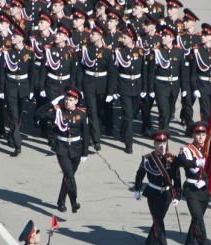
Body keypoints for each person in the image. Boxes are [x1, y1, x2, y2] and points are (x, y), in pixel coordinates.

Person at [134, 130, 191, 245]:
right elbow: (140, 174)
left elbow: (177, 178)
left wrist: (178, 195)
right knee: (158, 220)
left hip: (167, 194)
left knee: (158, 221)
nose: (161, 145)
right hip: (153, 193)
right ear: (154, 143)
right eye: (159, 142)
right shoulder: (148, 158)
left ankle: (150, 242)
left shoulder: (172, 158)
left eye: (164, 142)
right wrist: (137, 189)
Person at [36, 85, 89, 213]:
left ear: (76, 101)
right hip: (62, 148)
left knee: (68, 176)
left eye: (71, 100)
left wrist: (85, 152)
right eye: (66, 99)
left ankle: (61, 202)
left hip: (76, 148)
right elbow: (39, 114)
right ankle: (74, 202)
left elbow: (86, 135)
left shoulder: (81, 114)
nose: (67, 102)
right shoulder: (58, 112)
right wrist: (51, 103)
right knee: (69, 175)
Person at [76, 23, 115, 151]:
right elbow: (81, 70)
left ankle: (92, 134)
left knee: (98, 112)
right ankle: (96, 140)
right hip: (89, 84)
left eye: (93, 34)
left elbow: (111, 72)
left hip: (102, 86)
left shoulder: (108, 52)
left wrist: (110, 91)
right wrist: (79, 88)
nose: (90, 36)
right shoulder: (86, 50)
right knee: (92, 112)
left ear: (100, 36)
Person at [177, 122, 211, 245]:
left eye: (203, 134)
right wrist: (196, 163)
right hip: (191, 188)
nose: (201, 137)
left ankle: (189, 243)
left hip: (205, 189)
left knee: (196, 219)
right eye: (198, 134)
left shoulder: (209, 149)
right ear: (193, 135)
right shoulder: (186, 149)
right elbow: (181, 161)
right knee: (198, 218)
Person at [1, 25, 35, 156]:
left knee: (19, 114)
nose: (12, 37)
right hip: (10, 85)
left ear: (21, 38)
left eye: (15, 36)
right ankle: (17, 145)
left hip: (24, 86)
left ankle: (11, 134)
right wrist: (1, 89)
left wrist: (31, 89)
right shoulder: (7, 52)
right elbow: (2, 73)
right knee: (13, 115)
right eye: (12, 35)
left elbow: (32, 73)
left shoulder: (29, 53)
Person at [147, 25, 187, 131]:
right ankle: (163, 137)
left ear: (172, 38)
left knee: (170, 112)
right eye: (162, 35)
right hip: (160, 86)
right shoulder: (156, 52)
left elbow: (182, 72)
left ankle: (164, 129)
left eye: (166, 36)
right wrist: (150, 89)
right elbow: (151, 72)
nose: (163, 37)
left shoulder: (178, 52)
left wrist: (184, 89)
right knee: (164, 112)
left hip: (174, 86)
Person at [115, 24, 146, 154]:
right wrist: (115, 89)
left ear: (131, 38)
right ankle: (129, 143)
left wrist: (144, 87)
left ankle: (123, 131)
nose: (122, 39)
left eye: (125, 37)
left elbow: (144, 70)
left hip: (137, 86)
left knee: (132, 114)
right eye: (122, 37)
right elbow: (115, 72)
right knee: (127, 115)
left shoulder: (139, 51)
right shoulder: (119, 52)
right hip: (124, 86)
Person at [190, 23, 211, 123]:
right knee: (205, 111)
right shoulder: (196, 50)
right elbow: (193, 72)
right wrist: (195, 88)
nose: (202, 37)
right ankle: (205, 131)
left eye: (205, 35)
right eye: (202, 35)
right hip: (202, 86)